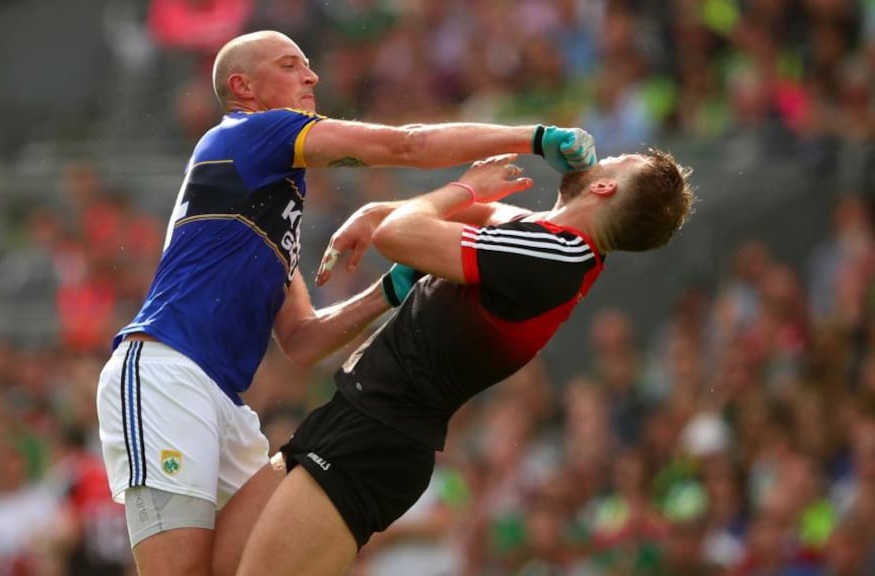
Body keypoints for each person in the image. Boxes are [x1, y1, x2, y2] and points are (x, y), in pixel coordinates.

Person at [94, 29, 598, 576]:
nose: (311, 77)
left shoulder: (268, 196)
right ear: (244, 87)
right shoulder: (252, 131)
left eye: (308, 66)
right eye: (290, 66)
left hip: (224, 402)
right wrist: (537, 137)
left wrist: (391, 288)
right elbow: (407, 144)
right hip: (166, 373)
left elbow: (303, 340)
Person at [234, 150, 696, 576]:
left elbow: (401, 235)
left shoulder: (554, 257)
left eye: (615, 160)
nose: (602, 156)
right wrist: (381, 209)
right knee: (214, 563)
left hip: (375, 440)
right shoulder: (550, 239)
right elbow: (467, 214)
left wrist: (462, 188)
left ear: (603, 188)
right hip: (356, 417)